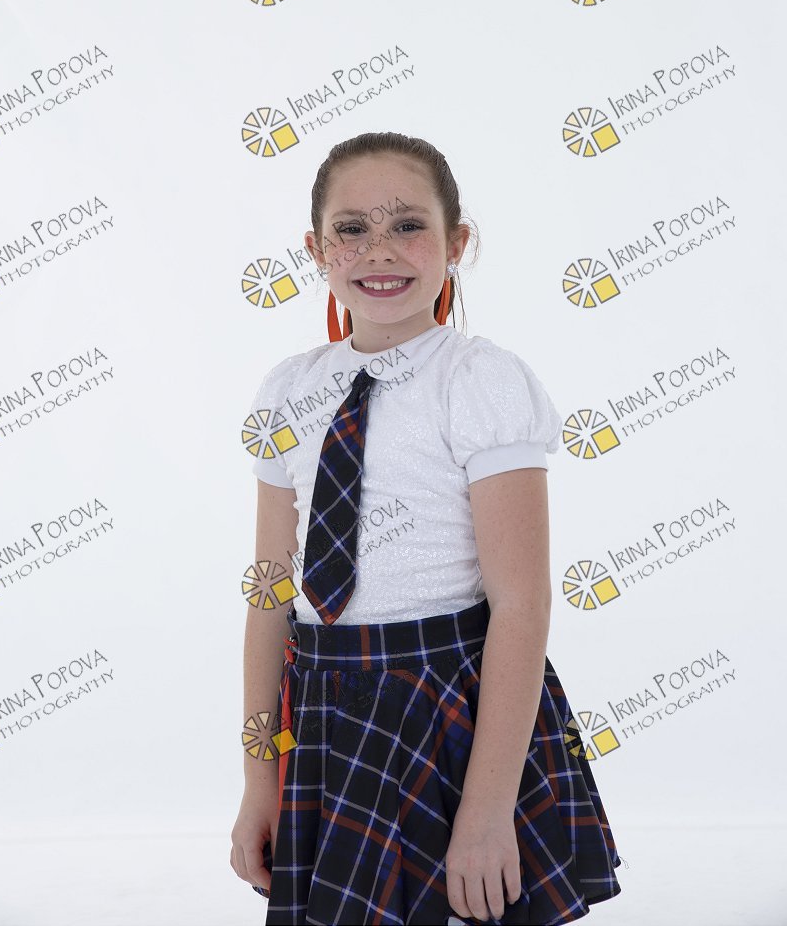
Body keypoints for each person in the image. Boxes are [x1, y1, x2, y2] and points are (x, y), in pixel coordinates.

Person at [230, 131, 622, 925]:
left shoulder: (479, 381)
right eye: (351, 229)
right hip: (324, 711)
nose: (380, 250)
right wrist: (257, 781)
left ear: (457, 243)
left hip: (450, 706)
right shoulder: (288, 391)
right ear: (316, 249)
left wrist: (486, 812)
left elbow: (521, 605)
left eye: (408, 225)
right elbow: (270, 596)